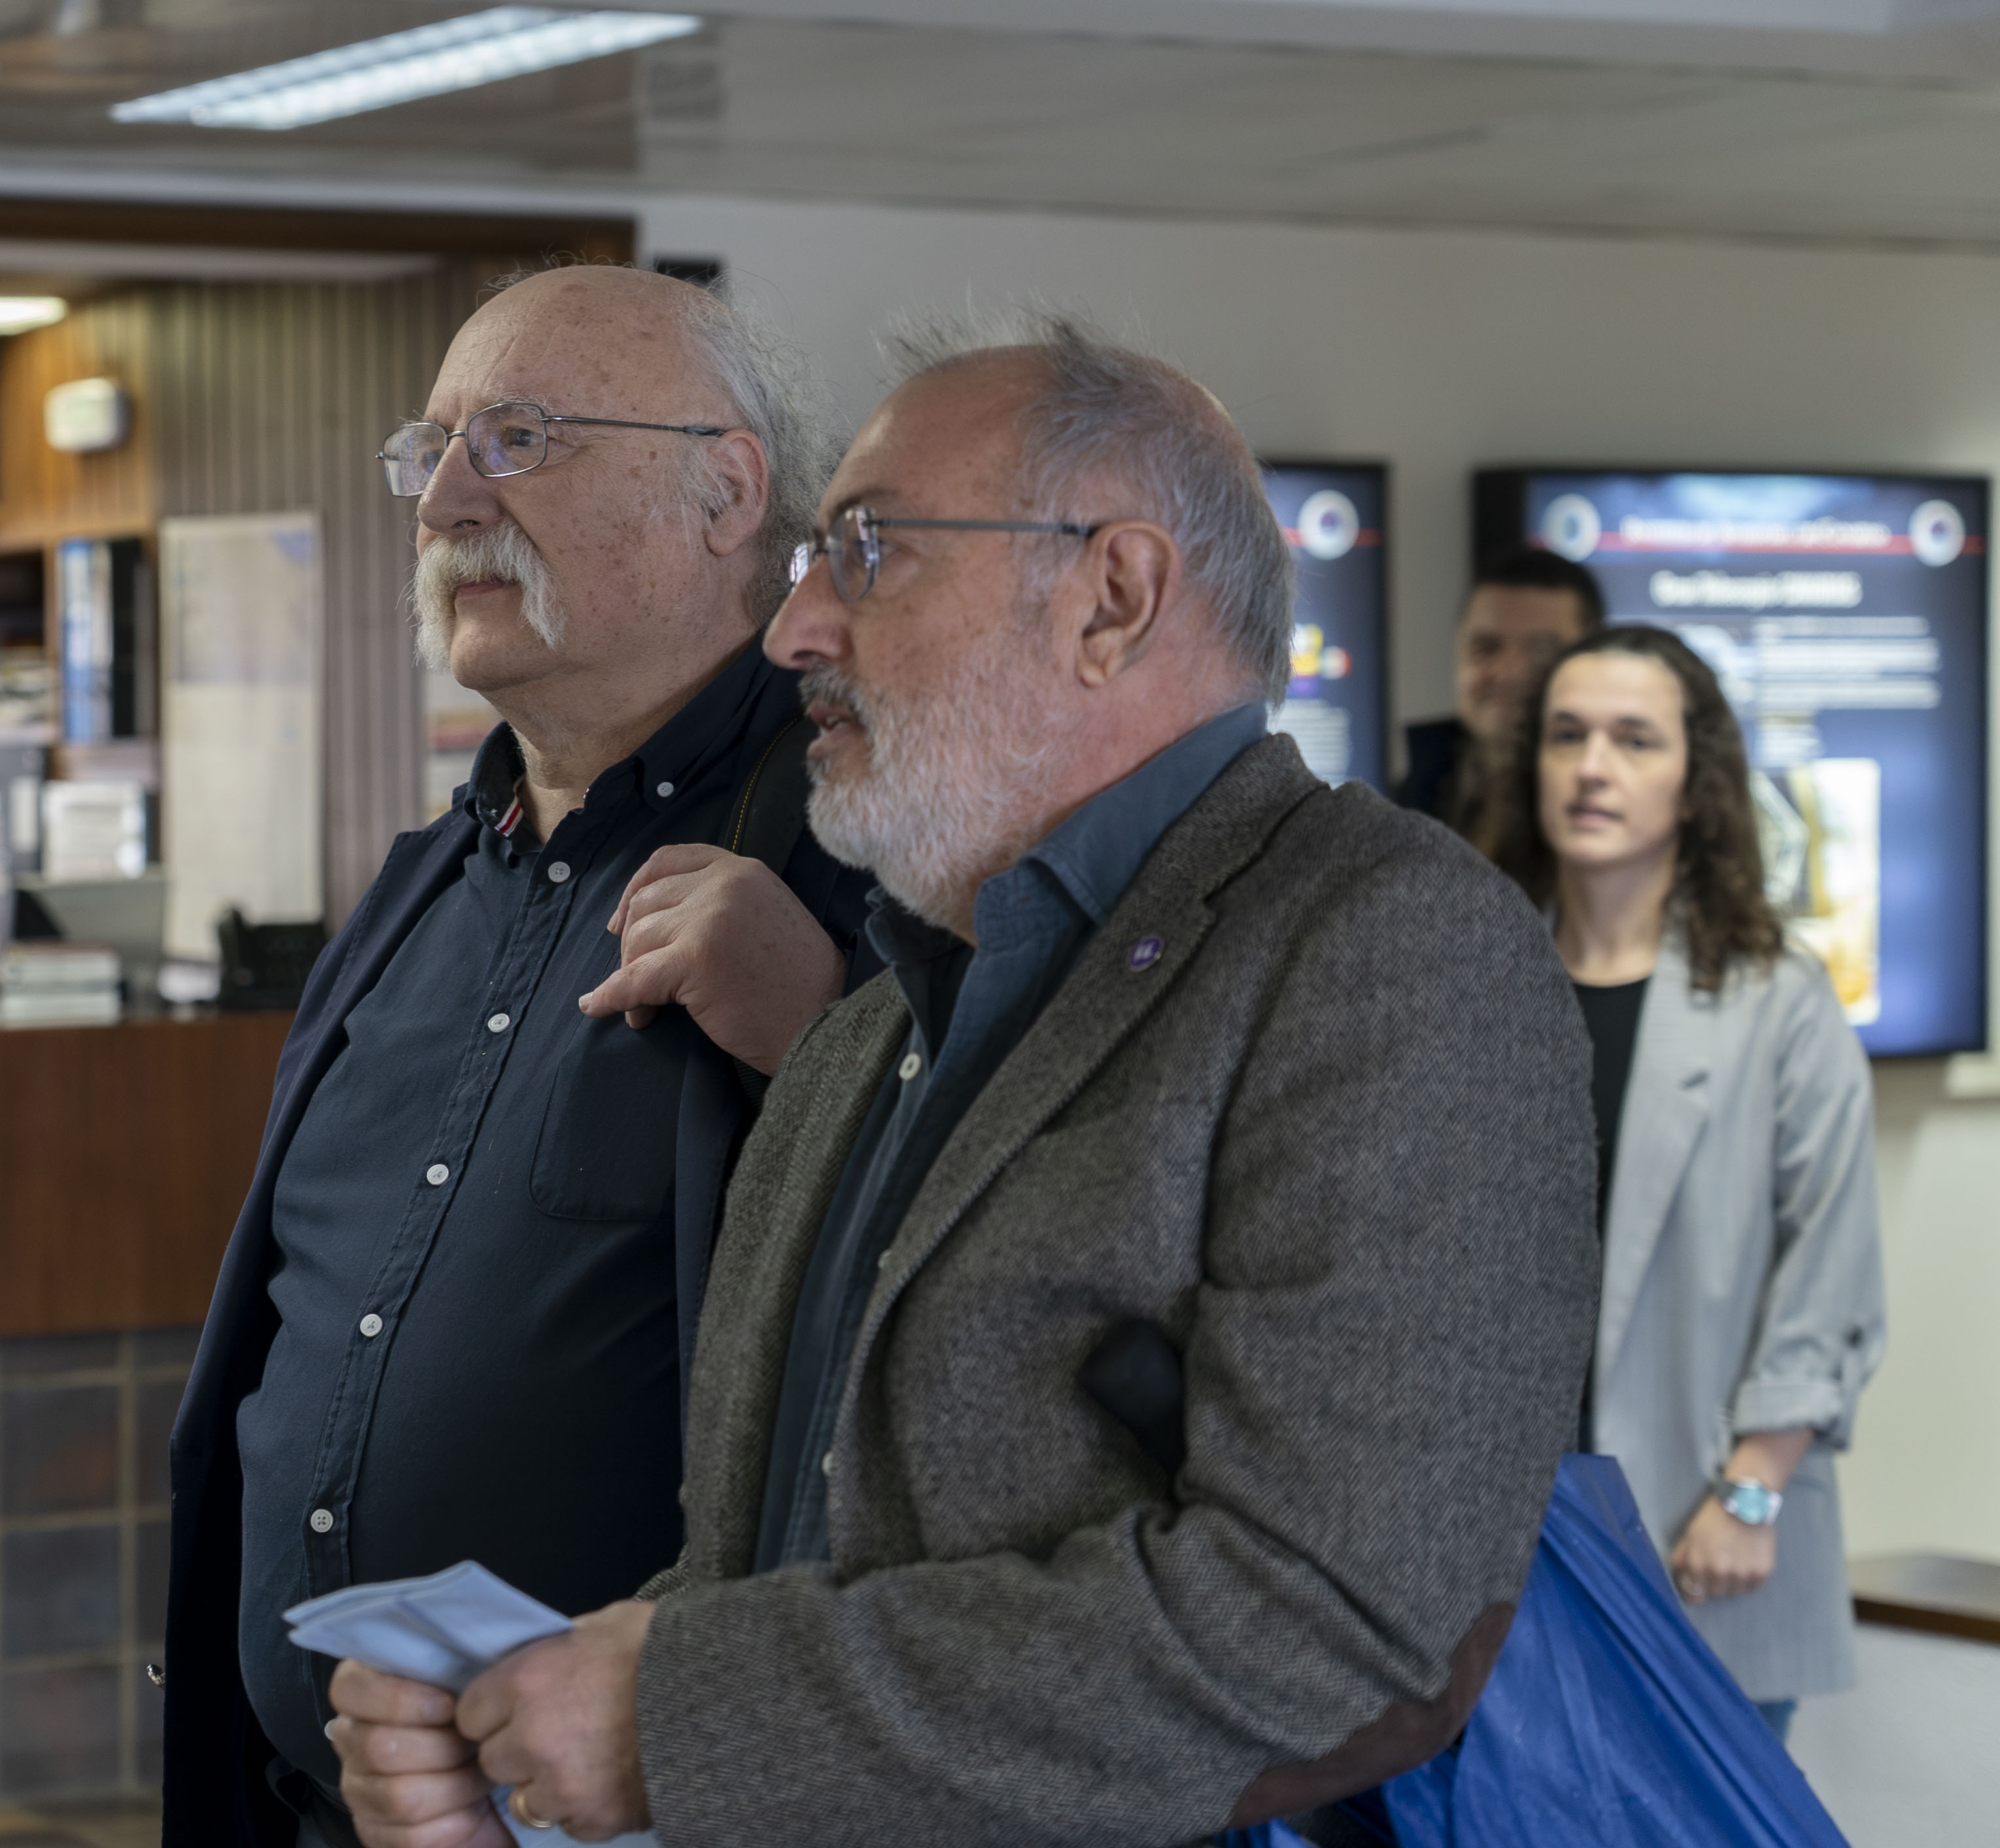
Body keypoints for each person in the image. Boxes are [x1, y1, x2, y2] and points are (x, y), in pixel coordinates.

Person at [328, 313, 1600, 1847]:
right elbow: (793, 1559)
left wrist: (674, 1719)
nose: (795, 626)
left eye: (866, 552)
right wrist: (531, 1736)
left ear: (1110, 599)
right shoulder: (877, 1020)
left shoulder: (1378, 944)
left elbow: (1335, 1628)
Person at [162, 266, 881, 1848]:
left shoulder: (870, 852)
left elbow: (990, 1291)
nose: (445, 504)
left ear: (724, 493)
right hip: (328, 1801)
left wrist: (825, 1030)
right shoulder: (417, 886)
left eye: (519, 439)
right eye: (429, 452)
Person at [1485, 626, 1885, 1744]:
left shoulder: (1778, 1000)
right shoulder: (1477, 977)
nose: (1592, 767)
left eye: (1634, 739)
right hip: (1499, 1545)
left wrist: (1754, 1487)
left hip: (1705, 1531)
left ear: (1695, 782)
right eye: (1567, 735)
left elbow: (1833, 1266)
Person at [1396, 544, 1605, 845]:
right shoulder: (1400, 811)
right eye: (1487, 648)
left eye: (1544, 652)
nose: (1511, 674)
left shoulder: (1617, 824)